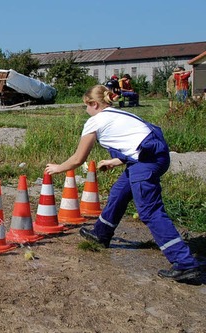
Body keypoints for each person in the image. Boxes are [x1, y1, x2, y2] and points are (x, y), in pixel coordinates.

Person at [45, 85, 201, 282]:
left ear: (94, 104)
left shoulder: (95, 121)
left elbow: (78, 158)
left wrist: (58, 168)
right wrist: (115, 161)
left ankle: (184, 262)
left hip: (145, 163)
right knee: (120, 192)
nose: (85, 110)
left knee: (150, 211)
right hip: (153, 156)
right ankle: (101, 233)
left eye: (86, 105)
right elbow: (137, 141)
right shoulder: (118, 114)